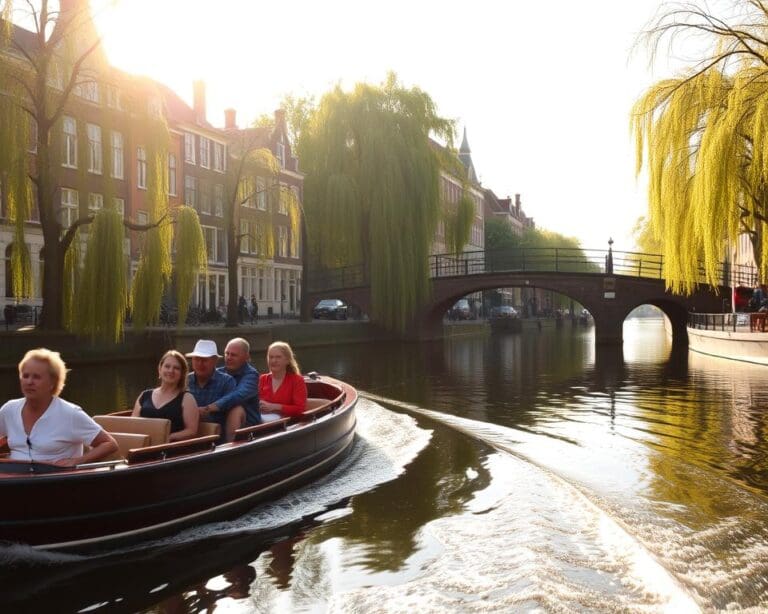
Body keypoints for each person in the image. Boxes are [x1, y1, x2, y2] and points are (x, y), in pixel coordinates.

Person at [0, 348, 117, 466]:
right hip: (13, 476)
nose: (29, 382)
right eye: (25, 376)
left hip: (56, 479)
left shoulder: (70, 414)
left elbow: (110, 444)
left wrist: (76, 461)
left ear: (52, 383)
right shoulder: (9, 409)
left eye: (36, 377)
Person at [132, 350, 199, 442]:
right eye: (167, 366)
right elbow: (132, 425)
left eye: (176, 368)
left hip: (172, 450)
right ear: (160, 369)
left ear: (182, 374)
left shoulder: (187, 398)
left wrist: (169, 437)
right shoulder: (144, 395)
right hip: (143, 447)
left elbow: (192, 431)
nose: (171, 370)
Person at [186, 339, 244, 442]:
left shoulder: (227, 381)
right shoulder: (185, 381)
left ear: (214, 361)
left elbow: (230, 402)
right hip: (188, 429)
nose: (200, 363)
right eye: (197, 359)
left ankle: (230, 449)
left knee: (237, 409)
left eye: (204, 360)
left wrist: (207, 409)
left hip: (218, 433)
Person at [259, 341, 307, 421]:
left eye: (278, 357)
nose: (274, 360)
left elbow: (300, 409)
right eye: (271, 357)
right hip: (262, 422)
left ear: (287, 360)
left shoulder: (297, 380)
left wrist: (274, 406)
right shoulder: (262, 379)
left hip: (289, 425)